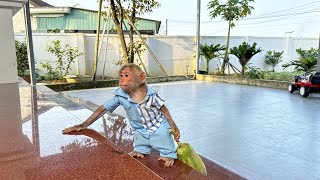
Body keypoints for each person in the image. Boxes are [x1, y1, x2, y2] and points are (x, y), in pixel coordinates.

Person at [63, 63, 180, 167]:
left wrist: (174, 127)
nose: (122, 79)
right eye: (121, 75)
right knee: (140, 138)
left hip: (157, 124)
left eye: (127, 75)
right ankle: (141, 150)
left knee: (163, 136)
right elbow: (102, 109)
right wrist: (83, 124)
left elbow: (164, 110)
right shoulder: (120, 97)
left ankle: (169, 154)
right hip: (139, 127)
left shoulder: (151, 96)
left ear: (142, 77)